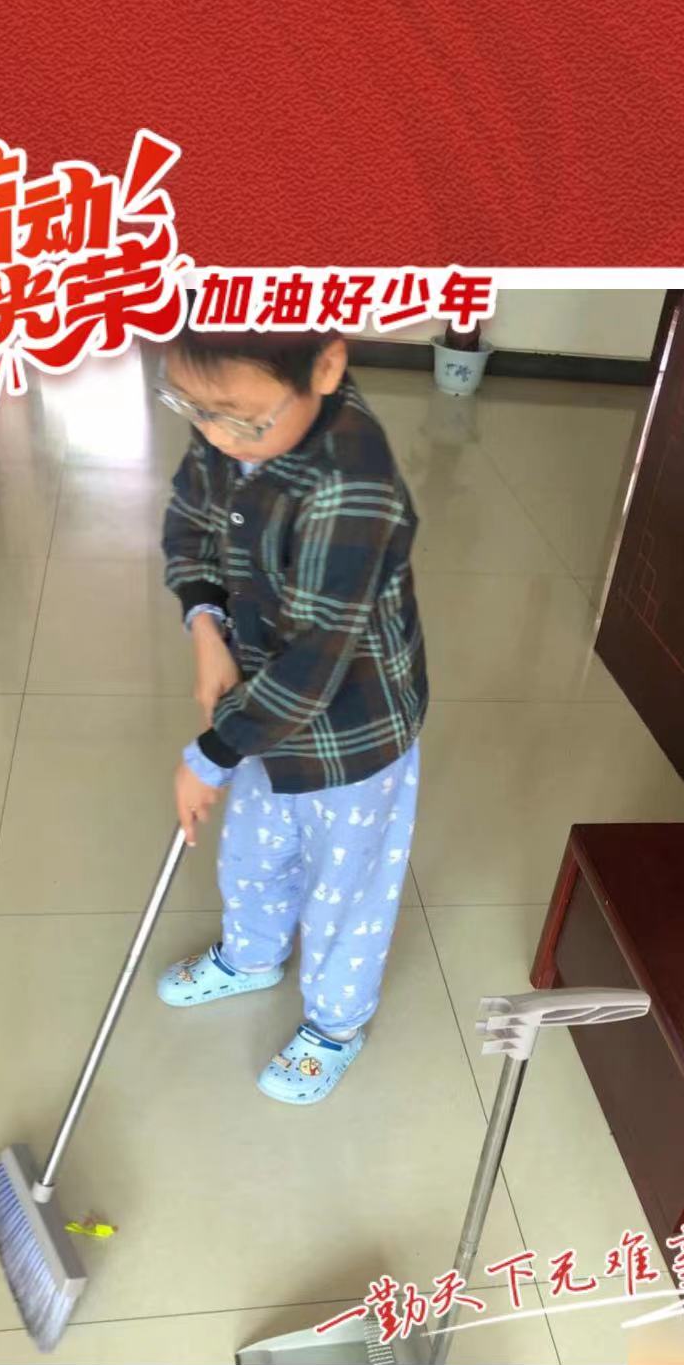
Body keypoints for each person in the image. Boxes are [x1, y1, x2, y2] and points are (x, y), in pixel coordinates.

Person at [155, 327, 428, 1104]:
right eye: (192, 408)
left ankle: (334, 1025)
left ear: (327, 364)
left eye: (238, 420)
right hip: (261, 706)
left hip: (353, 732)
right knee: (255, 848)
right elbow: (189, 519)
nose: (214, 435)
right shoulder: (228, 409)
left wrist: (211, 753)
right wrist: (205, 624)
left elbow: (314, 663)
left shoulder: (352, 487)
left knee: (346, 889)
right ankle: (252, 955)